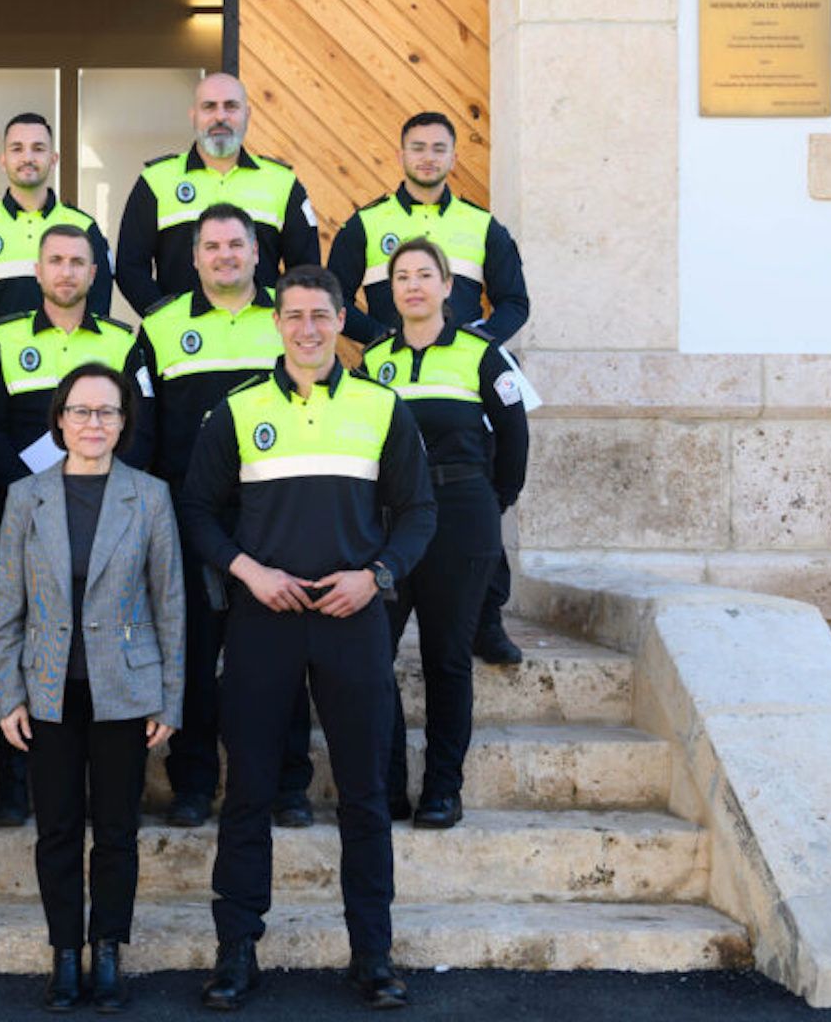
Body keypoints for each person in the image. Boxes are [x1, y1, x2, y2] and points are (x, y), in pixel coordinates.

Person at [179, 265, 435, 1012]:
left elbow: (418, 511)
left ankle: (374, 956)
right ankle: (236, 953)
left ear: (339, 321)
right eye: (294, 316)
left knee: (364, 793)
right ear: (277, 323)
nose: (308, 329)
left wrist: (378, 575)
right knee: (249, 790)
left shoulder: (383, 408)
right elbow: (197, 509)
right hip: (264, 620)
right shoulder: (236, 411)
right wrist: (247, 571)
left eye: (321, 315)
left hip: (353, 621)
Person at [0, 364, 185, 1013]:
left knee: (118, 828)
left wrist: (170, 695)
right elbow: (6, 605)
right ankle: (64, 951)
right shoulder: (28, 497)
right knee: (58, 829)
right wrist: (8, 694)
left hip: (124, 689)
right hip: (48, 689)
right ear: (60, 419)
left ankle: (108, 948)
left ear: (124, 422)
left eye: (106, 412)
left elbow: (171, 603)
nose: (93, 423)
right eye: (81, 411)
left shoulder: (149, 496)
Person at [326, 111, 534, 666]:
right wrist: (384, 340)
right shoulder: (364, 226)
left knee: (478, 505)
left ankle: (486, 620)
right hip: (395, 381)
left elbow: (515, 301)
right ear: (400, 154)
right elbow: (335, 298)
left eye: (438, 148)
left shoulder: (480, 224)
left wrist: (477, 343)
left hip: (464, 387)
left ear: (452, 158)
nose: (427, 157)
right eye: (417, 147)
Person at [134, 204, 312, 830]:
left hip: (278, 514)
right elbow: (142, 431)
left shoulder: (290, 318)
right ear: (194, 256)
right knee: (191, 655)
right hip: (190, 518)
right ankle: (192, 783)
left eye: (236, 245)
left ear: (258, 252)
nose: (224, 256)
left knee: (280, 656)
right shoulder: (159, 327)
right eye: (212, 247)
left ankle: (288, 785)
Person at [0, 226, 150, 827]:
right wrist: (35, 487)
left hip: (108, 512)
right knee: (25, 635)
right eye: (56, 261)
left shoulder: (126, 344)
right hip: (28, 512)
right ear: (38, 270)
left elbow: (139, 431)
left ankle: (104, 785)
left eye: (79, 262)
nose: (68, 272)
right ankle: (12, 786)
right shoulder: (1, 339)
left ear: (95, 274)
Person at [361, 238, 529, 829]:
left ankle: (442, 790)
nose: (412, 285)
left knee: (447, 659)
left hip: (461, 516)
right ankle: (386, 789)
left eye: (424, 275)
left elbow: (514, 439)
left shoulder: (482, 356)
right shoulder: (373, 361)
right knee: (373, 657)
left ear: (446, 287)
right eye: (401, 275)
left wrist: (493, 499)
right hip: (391, 522)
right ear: (390, 291)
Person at [114, 73, 320, 316]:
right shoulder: (156, 181)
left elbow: (306, 272)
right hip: (181, 345)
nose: (220, 116)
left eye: (231, 106)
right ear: (194, 116)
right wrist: (165, 321)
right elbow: (130, 268)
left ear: (247, 114)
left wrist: (284, 321)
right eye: (209, 107)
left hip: (263, 342)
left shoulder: (282, 183)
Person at [0, 112, 114, 319]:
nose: (28, 158)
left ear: (53, 159)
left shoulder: (84, 227)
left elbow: (98, 311)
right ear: (3, 160)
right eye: (17, 149)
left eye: (38, 148)